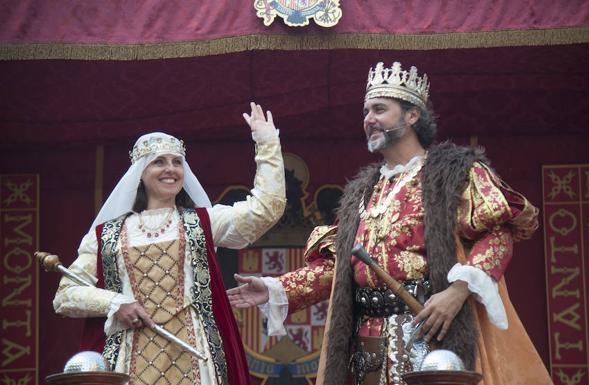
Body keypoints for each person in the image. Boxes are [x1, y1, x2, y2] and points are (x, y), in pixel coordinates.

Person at [227, 63, 553, 385]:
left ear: (412, 115)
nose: (369, 119)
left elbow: (498, 232)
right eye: (366, 111)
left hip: (429, 334)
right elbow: (338, 267)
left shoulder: (453, 173)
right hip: (368, 347)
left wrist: (457, 292)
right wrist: (277, 287)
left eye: (379, 109)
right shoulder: (363, 191)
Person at [53, 102, 286, 385]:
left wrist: (266, 142)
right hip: (130, 358)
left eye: (177, 162)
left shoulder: (203, 222)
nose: (171, 169)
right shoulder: (107, 235)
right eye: (159, 161)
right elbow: (66, 295)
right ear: (140, 172)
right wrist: (116, 303)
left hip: (196, 358)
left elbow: (266, 209)